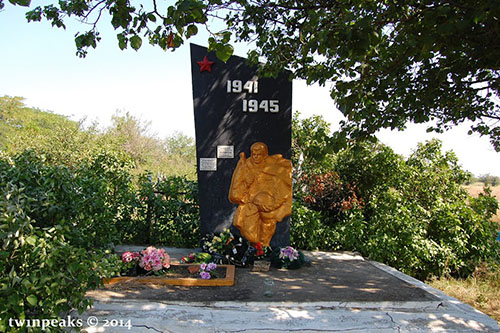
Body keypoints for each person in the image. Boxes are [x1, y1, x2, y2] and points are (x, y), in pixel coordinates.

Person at [228, 142, 292, 246]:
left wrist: (274, 204)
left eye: (259, 154)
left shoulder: (274, 166)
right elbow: (237, 188)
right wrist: (246, 184)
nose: (256, 157)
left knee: (268, 224)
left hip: (270, 205)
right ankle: (256, 247)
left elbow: (282, 187)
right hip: (250, 204)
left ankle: (264, 247)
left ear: (265, 155)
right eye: (254, 154)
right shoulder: (246, 165)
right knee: (249, 234)